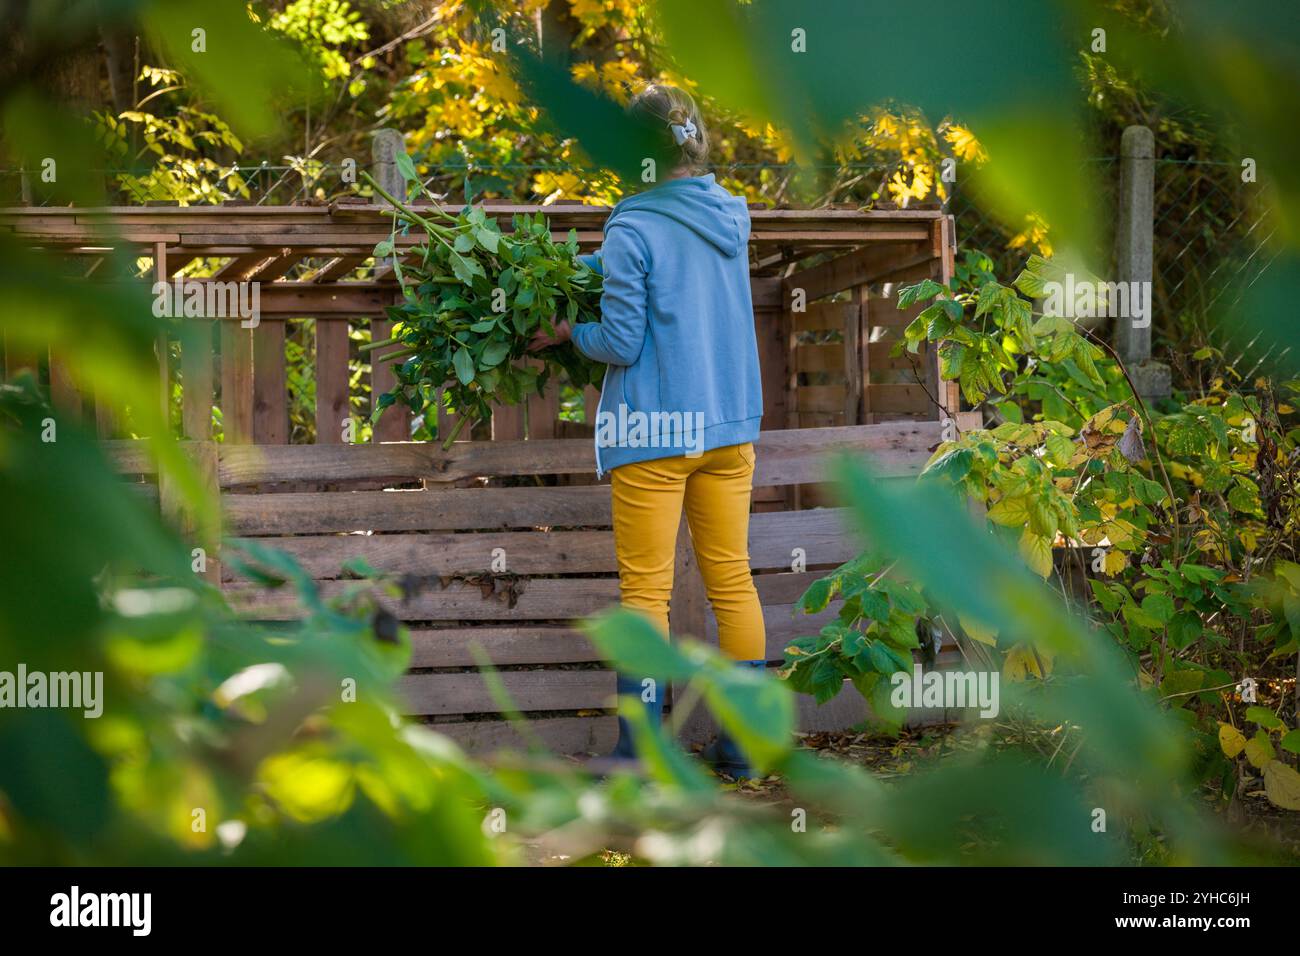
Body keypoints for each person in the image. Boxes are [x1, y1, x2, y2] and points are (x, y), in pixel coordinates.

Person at [529, 84, 766, 779]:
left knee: (645, 594)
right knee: (732, 580)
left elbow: (624, 340)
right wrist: (599, 271)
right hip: (728, 429)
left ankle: (643, 752)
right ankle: (746, 747)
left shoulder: (632, 225)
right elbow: (680, 277)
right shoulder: (729, 216)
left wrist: (571, 330)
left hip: (658, 433)